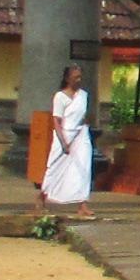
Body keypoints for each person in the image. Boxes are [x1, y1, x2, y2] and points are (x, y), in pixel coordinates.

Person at [41, 65, 94, 213]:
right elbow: (57, 121)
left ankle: (82, 204)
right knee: (55, 167)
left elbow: (83, 115)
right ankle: (42, 196)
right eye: (75, 77)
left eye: (80, 77)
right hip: (64, 134)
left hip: (81, 135)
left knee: (84, 168)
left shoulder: (83, 95)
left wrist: (84, 124)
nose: (78, 80)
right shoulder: (60, 97)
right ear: (67, 79)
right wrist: (63, 142)